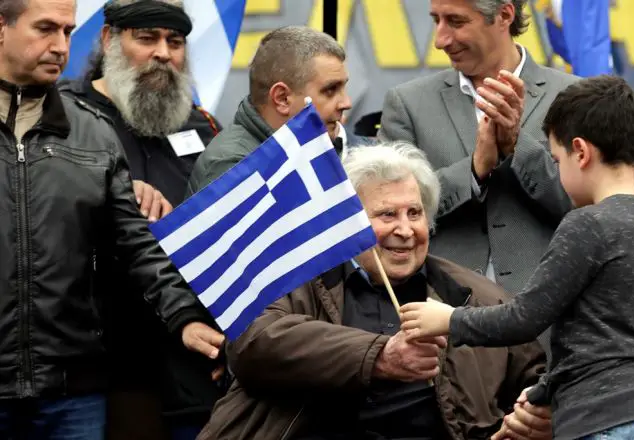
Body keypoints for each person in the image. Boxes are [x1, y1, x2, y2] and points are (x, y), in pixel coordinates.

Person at [197, 142, 551, 440]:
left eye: (414, 213)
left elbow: (534, 379)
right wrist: (380, 356)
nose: (405, 229)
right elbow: (252, 342)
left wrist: (537, 414)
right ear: (349, 226)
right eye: (386, 215)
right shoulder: (297, 276)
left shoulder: (475, 296)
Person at [0, 0, 224, 438]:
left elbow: (138, 245)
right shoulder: (87, 110)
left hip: (75, 387)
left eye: (66, 31)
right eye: (46, 28)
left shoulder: (93, 133)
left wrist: (187, 317)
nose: (60, 45)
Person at [400, 76, 634, 440]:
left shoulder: (585, 223)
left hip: (600, 420)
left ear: (581, 153)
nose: (557, 170)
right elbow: (605, 335)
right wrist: (543, 392)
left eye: (556, 159)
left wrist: (450, 319)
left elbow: (524, 318)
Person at [378, 0, 576, 296]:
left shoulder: (573, 96)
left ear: (504, 15)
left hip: (548, 320)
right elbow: (385, 210)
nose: (440, 40)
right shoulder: (407, 104)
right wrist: (473, 170)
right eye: (436, 20)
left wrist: (516, 146)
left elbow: (588, 209)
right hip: (441, 317)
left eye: (456, 22)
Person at [187, 25, 353, 194]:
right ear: (282, 98)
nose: (346, 103)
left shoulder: (315, 144)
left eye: (343, 88)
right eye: (330, 90)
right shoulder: (233, 168)